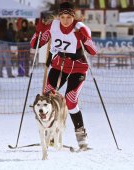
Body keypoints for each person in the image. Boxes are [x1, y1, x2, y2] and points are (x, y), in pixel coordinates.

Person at [30, 1, 97, 150]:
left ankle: (81, 135)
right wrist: (38, 32)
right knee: (47, 96)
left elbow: (93, 51)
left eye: (68, 17)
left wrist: (86, 38)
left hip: (78, 68)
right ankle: (51, 134)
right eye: (63, 17)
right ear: (59, 16)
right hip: (59, 66)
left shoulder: (80, 27)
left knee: (71, 100)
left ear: (73, 17)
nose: (65, 20)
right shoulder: (53, 26)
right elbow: (34, 44)